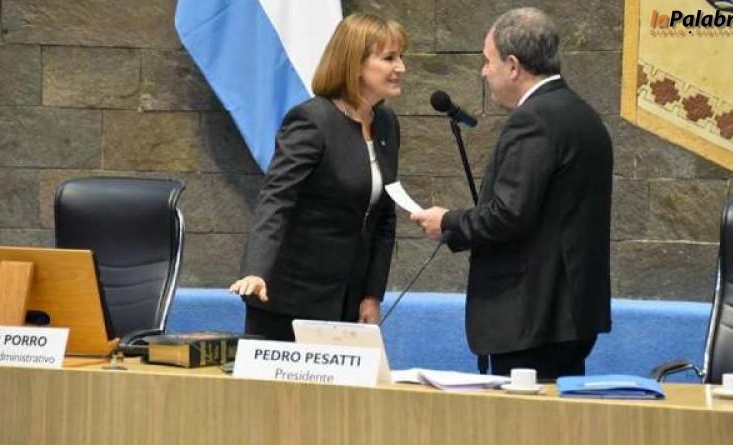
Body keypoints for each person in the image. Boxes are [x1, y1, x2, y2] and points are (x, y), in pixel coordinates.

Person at [411, 7, 612, 380]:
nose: (484, 72)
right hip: (569, 316)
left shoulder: (533, 119)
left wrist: (448, 221)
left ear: (514, 65)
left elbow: (509, 214)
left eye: (488, 61)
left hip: (531, 318)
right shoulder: (583, 115)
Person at [229, 14, 407, 341]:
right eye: (389, 58)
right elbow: (276, 200)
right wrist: (255, 270)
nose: (401, 67)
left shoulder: (386, 124)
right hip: (291, 299)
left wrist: (372, 294)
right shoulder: (312, 120)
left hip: (350, 303)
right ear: (354, 64)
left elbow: (384, 217)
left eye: (400, 57)